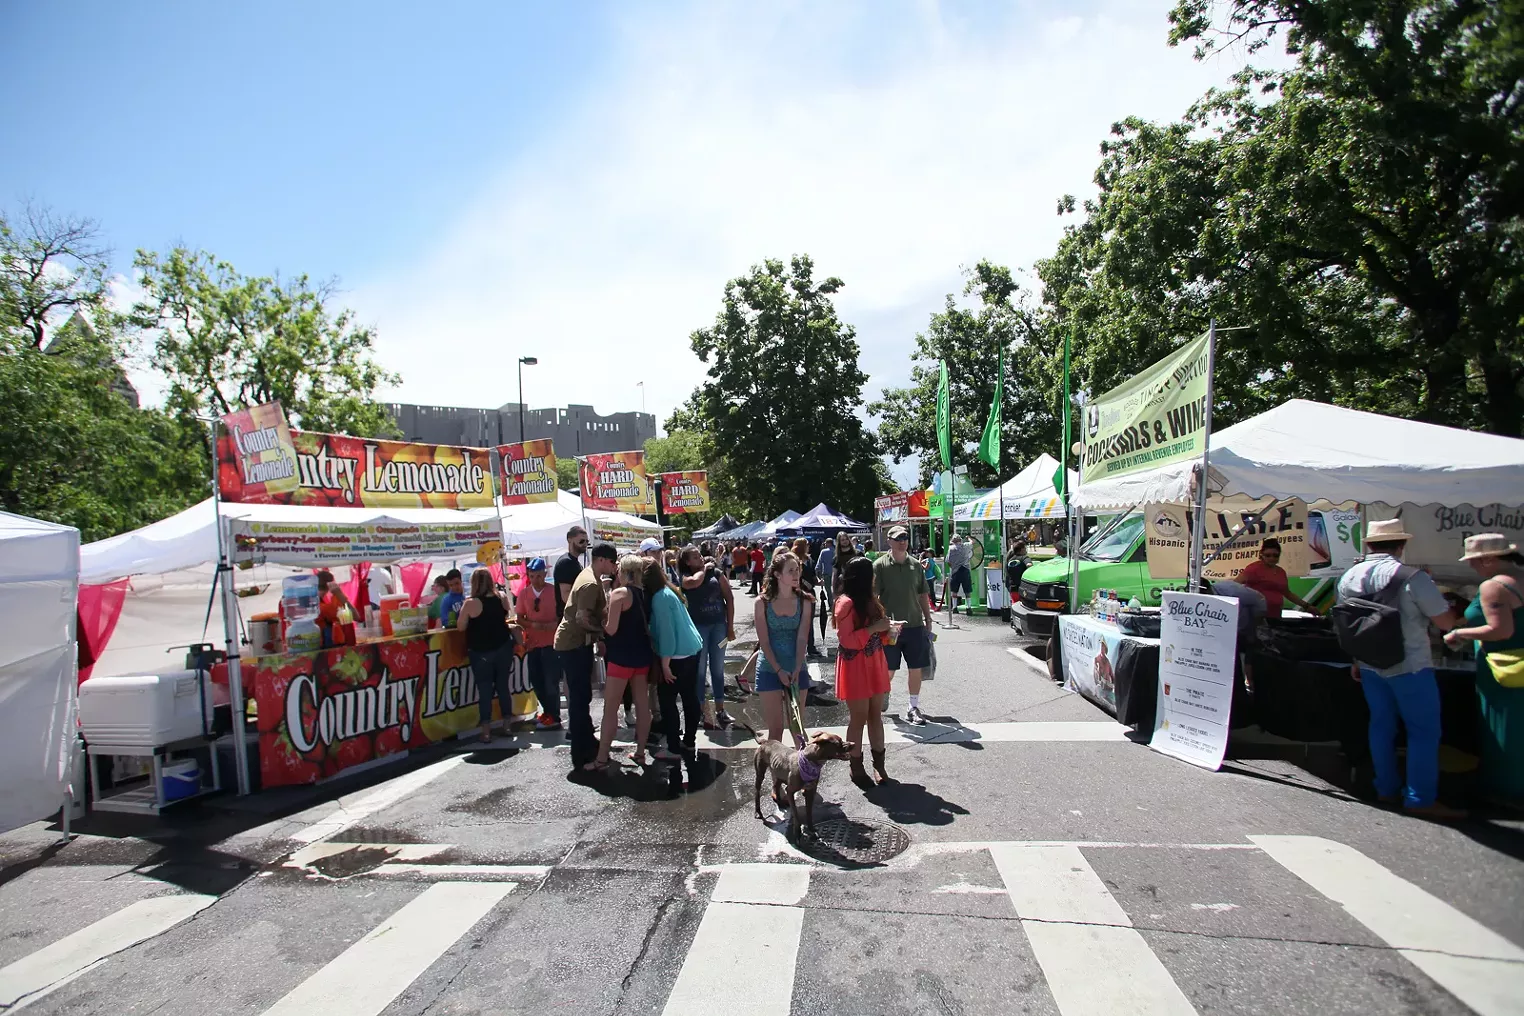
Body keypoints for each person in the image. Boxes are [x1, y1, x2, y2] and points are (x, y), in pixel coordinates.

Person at [1336, 519, 1464, 820]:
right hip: (1410, 663)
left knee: (1381, 726)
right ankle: (1419, 798)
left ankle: (1386, 788)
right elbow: (1444, 622)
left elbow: (1348, 623)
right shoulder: (1411, 577)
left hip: (1368, 664)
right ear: (1401, 545)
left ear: (1369, 545)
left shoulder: (1348, 577)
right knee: (1423, 732)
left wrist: (1356, 660)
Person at [1443, 534, 1524, 802]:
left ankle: (1506, 792)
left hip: (1503, 669)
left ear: (1489, 559)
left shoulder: (1494, 586)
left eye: (1475, 562)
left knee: (1505, 732)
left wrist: (1461, 634)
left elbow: (1500, 629)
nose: (1472, 567)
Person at [554, 541, 619, 771]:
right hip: (572, 644)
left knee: (582, 697)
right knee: (580, 699)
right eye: (612, 562)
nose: (614, 566)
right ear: (601, 559)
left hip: (575, 643)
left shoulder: (589, 575)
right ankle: (582, 751)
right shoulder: (591, 583)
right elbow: (582, 618)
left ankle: (587, 742)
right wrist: (602, 633)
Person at [589, 555, 656, 770]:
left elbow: (611, 629)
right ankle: (640, 753)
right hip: (642, 657)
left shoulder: (620, 594)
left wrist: (600, 619)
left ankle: (601, 759)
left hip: (621, 658)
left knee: (610, 709)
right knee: (643, 706)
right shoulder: (646, 594)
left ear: (623, 571)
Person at [835, 556, 894, 786]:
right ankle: (856, 767)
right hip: (856, 665)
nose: (875, 578)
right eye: (871, 574)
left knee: (875, 715)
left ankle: (879, 767)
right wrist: (874, 629)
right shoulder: (846, 603)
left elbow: (876, 631)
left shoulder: (870, 599)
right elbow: (847, 641)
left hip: (874, 660)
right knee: (858, 718)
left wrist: (888, 630)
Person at [873, 525, 935, 725]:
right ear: (889, 540)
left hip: (915, 625)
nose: (903, 541)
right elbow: (873, 597)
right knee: (888, 670)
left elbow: (922, 594)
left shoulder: (916, 565)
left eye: (905, 537)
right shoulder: (880, 566)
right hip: (890, 628)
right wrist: (876, 623)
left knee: (915, 667)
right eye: (898, 538)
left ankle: (913, 707)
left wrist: (928, 619)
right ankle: (884, 693)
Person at [645, 558, 703, 762]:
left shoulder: (659, 598)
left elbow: (667, 634)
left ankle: (673, 747)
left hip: (677, 655)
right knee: (689, 697)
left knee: (668, 702)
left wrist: (665, 664)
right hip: (692, 649)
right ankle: (689, 741)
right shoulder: (669, 590)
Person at [755, 551, 814, 745]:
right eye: (791, 570)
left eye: (797, 569)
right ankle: (777, 775)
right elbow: (763, 641)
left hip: (796, 665)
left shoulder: (804, 600)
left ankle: (805, 773)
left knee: (797, 726)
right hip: (769, 667)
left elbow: (802, 637)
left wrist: (797, 667)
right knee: (776, 729)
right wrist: (779, 670)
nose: (796, 574)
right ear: (778, 575)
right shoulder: (762, 603)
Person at [679, 545, 737, 730]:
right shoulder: (685, 578)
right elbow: (694, 583)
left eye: (700, 556)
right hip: (698, 629)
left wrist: (730, 626)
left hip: (719, 626)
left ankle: (720, 708)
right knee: (700, 671)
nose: (700, 558)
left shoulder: (717, 574)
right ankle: (701, 710)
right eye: (695, 557)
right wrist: (705, 568)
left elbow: (729, 598)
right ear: (687, 562)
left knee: (718, 668)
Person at [457, 568, 518, 743]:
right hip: (503, 647)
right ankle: (507, 724)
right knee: (503, 687)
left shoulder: (470, 603)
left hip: (481, 651)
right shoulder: (502, 597)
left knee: (484, 690)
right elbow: (507, 614)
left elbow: (461, 627)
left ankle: (486, 730)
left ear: (474, 583)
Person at [517, 559, 562, 730]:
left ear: (545, 574)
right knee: (536, 680)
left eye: (538, 575)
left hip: (551, 643)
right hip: (533, 643)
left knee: (551, 681)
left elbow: (563, 613)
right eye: (532, 576)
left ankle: (554, 716)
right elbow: (520, 616)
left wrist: (555, 624)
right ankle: (547, 713)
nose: (535, 579)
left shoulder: (553, 591)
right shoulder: (524, 594)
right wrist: (532, 625)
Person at [1237, 538, 1320, 618]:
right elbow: (1235, 585)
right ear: (1261, 554)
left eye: (1275, 555)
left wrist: (1307, 606)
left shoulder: (1281, 572)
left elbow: (1287, 593)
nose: (1272, 558)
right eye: (1268, 555)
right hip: (1256, 616)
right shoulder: (1253, 569)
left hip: (1275, 615)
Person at [794, 537, 822, 657]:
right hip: (797, 594)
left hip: (810, 593)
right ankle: (797, 647)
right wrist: (803, 582)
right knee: (798, 621)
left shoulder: (809, 559)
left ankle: (811, 647)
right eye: (806, 544)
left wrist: (818, 581)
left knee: (809, 621)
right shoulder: (794, 559)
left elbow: (813, 575)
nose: (808, 546)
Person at [315, 570, 353, 646]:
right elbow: (355, 616)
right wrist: (339, 594)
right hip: (326, 646)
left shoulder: (312, 604)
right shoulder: (325, 607)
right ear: (330, 585)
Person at [815, 536, 836, 640]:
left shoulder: (823, 552)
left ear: (827, 543)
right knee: (836, 590)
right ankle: (836, 605)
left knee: (828, 591)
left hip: (827, 574)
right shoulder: (836, 551)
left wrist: (817, 572)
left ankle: (831, 605)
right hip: (836, 574)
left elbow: (819, 564)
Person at [946, 534, 972, 612]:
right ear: (960, 540)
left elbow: (948, 561)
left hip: (955, 572)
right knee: (967, 590)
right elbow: (972, 542)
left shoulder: (951, 549)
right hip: (965, 570)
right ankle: (969, 608)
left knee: (954, 590)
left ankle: (954, 607)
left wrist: (953, 567)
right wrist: (969, 538)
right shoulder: (965, 546)